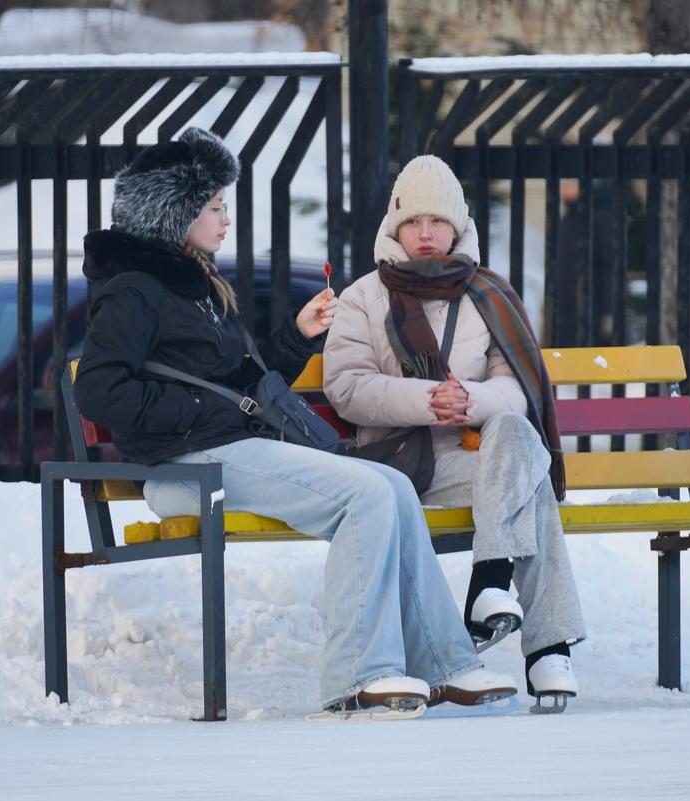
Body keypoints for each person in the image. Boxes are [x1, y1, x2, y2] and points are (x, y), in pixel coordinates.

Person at [73, 128, 515, 718]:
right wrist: (201, 412)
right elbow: (99, 390)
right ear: (176, 213)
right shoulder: (133, 290)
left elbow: (237, 385)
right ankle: (360, 674)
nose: (226, 219)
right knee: (364, 495)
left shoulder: (193, 286)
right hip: (184, 467)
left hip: (225, 452)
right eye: (214, 207)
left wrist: (294, 337)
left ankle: (446, 662)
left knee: (392, 486)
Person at [323, 154, 587, 713]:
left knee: (515, 437)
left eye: (437, 221)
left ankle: (492, 585)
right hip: (398, 464)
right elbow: (347, 388)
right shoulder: (363, 296)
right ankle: (547, 647)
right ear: (395, 225)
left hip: (478, 459)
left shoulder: (486, 294)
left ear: (457, 226)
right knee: (531, 482)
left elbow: (515, 390)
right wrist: (427, 400)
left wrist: (469, 400)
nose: (425, 233)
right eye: (414, 221)